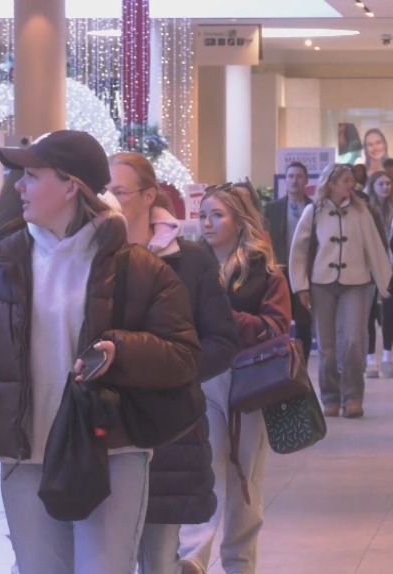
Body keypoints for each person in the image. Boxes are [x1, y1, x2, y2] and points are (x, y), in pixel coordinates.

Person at [0, 130, 202, 574]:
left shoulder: (137, 267)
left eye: (32, 176)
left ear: (71, 185)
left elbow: (183, 356)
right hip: (25, 453)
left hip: (112, 451)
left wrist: (123, 351)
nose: (18, 186)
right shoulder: (3, 264)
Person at [108, 152, 240, 574]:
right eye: (103, 191)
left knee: (161, 556)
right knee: (107, 555)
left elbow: (221, 339)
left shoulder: (190, 260)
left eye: (118, 191)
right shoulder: (90, 257)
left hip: (170, 429)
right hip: (104, 425)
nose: (108, 200)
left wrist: (174, 374)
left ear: (149, 197)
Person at [178, 185, 291, 574]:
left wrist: (223, 317)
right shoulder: (189, 263)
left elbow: (277, 327)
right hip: (202, 380)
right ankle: (192, 558)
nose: (207, 223)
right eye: (204, 214)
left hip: (251, 386)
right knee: (204, 471)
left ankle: (239, 564)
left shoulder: (265, 271)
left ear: (239, 221)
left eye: (217, 215)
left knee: (245, 482)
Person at [289, 164, 392, 418]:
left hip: (356, 284)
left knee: (354, 342)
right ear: (332, 184)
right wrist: (300, 286)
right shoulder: (313, 212)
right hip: (321, 284)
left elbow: (375, 248)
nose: (352, 185)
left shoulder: (361, 211)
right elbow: (299, 251)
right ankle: (331, 398)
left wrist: (386, 285)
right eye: (346, 180)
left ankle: (353, 397)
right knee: (326, 346)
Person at [263, 161, 314, 361]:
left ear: (306, 180)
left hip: (304, 275)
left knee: (304, 323)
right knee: (279, 322)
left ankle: (303, 365)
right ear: (286, 180)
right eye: (291, 176)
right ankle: (281, 365)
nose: (294, 180)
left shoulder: (314, 207)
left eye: (299, 176)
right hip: (279, 272)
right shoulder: (273, 208)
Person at [366, 172, 393, 378]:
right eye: (381, 184)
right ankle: (370, 360)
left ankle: (386, 357)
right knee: (369, 313)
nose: (385, 187)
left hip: (391, 266)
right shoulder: (364, 209)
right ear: (373, 187)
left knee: (390, 311)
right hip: (368, 267)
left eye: (388, 183)